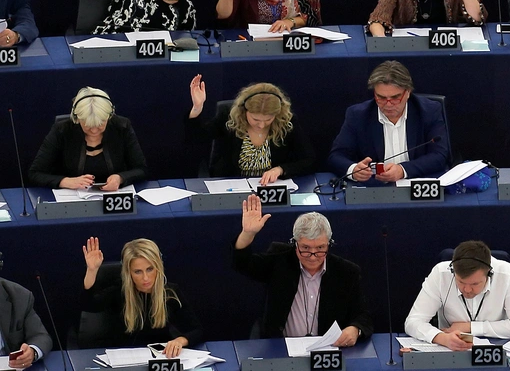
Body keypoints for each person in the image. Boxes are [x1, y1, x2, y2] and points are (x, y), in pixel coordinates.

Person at [233, 198, 369, 342]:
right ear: (295, 243)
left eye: (320, 248)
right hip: (281, 347)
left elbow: (362, 315)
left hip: (327, 349)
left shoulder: (346, 272)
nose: (312, 256)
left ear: (329, 244)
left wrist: (355, 329)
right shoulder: (280, 260)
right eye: (305, 248)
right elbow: (242, 264)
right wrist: (248, 233)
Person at [328, 62, 451, 182]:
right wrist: (353, 169)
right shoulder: (358, 115)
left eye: (395, 97)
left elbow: (439, 155)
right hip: (375, 187)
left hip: (416, 183)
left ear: (408, 92)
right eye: (381, 98)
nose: (388, 104)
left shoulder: (429, 111)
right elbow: (337, 156)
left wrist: (402, 170)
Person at [79, 238, 201, 354]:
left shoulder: (170, 293)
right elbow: (89, 305)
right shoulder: (120, 292)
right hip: (124, 359)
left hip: (160, 359)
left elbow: (197, 330)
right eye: (138, 272)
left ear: (158, 267)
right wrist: (92, 271)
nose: (145, 278)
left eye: (150, 269)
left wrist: (181, 340)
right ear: (129, 272)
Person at [404, 241, 510, 348]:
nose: (466, 289)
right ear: (453, 271)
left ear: (489, 274)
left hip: (496, 348)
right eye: (460, 281)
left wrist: (469, 327)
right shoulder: (440, 274)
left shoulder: (505, 274)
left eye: (474, 284)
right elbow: (413, 322)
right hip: (451, 349)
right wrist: (442, 338)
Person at [187, 78, 316, 182]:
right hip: (232, 185)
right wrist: (197, 108)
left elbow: (308, 160)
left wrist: (280, 169)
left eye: (268, 120)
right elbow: (196, 138)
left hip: (270, 189)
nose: (261, 125)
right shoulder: (229, 117)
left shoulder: (286, 122)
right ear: (243, 111)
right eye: (255, 119)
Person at [28, 87, 145, 190]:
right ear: (76, 118)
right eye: (88, 125)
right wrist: (66, 181)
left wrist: (121, 178)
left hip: (113, 196)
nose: (94, 130)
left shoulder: (122, 127)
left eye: (100, 124)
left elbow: (141, 169)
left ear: (109, 117)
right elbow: (35, 174)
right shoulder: (61, 130)